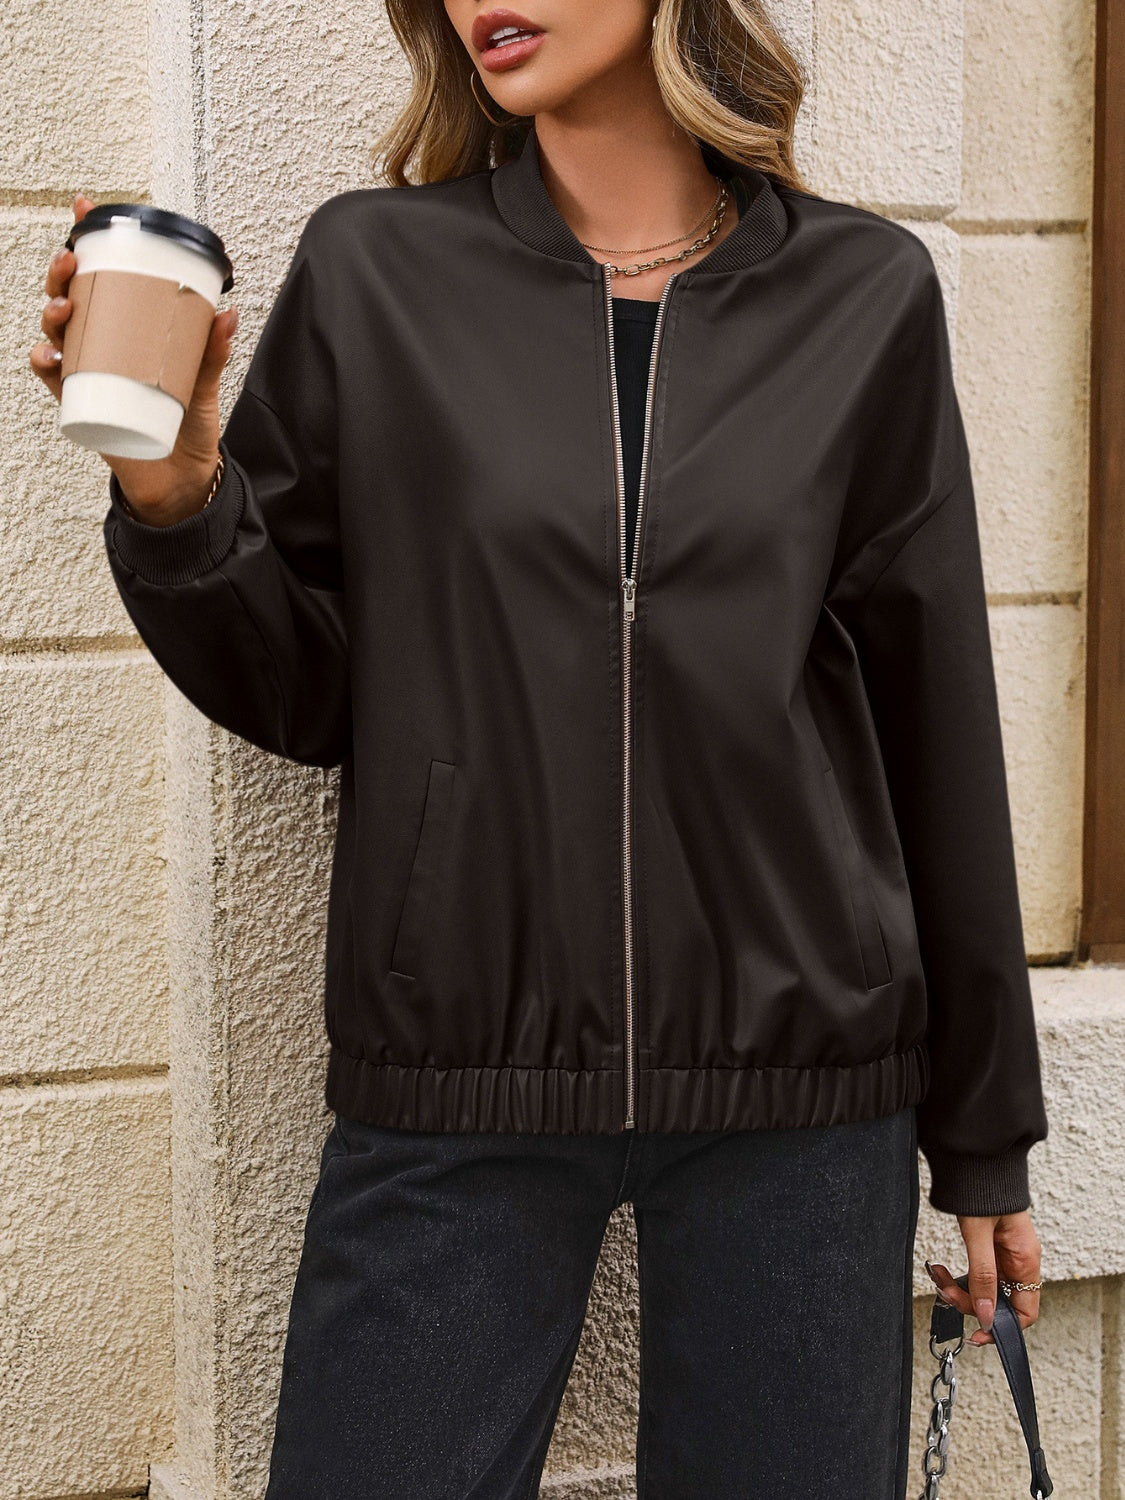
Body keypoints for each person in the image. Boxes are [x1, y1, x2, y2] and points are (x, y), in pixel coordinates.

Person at [30, 1, 1049, 1495]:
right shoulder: (379, 270)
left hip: (806, 1089)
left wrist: (984, 1137)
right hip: (456, 1069)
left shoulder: (862, 292)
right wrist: (180, 502)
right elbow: (306, 694)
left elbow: (932, 715)